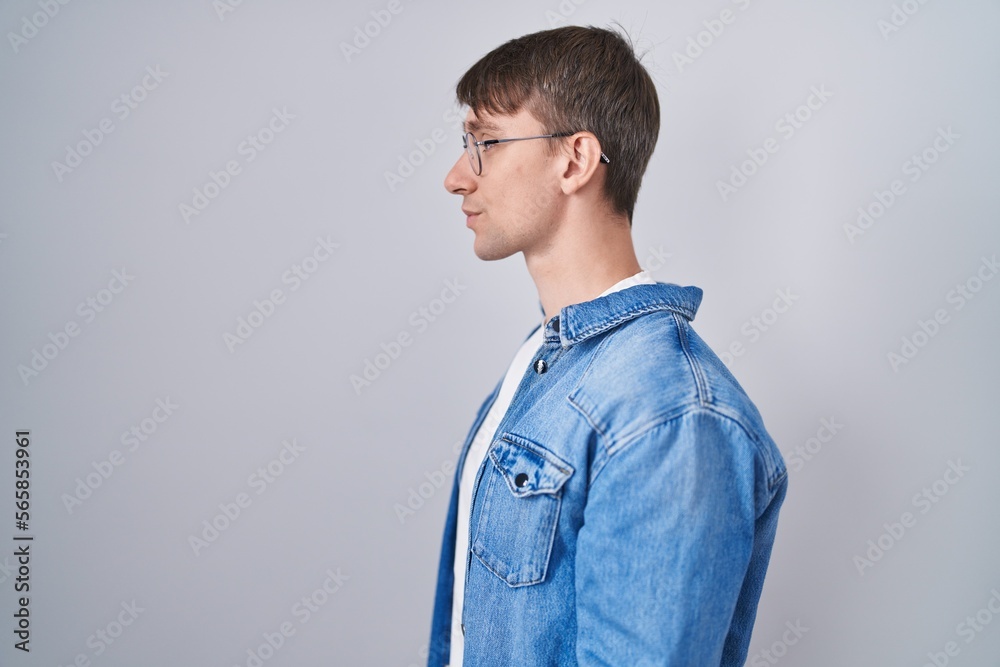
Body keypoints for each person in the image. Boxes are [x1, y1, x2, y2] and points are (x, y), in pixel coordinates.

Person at [428, 24, 788, 667]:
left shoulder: (671, 413)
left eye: (485, 142)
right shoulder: (545, 362)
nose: (457, 176)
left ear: (575, 160)